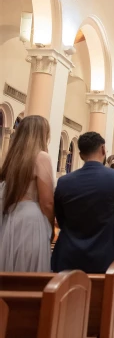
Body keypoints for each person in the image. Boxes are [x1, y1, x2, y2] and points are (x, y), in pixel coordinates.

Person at [52, 131, 114, 273]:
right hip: (106, 255)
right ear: (103, 149)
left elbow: (61, 217)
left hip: (70, 254)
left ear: (81, 155)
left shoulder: (64, 181)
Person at [0, 115, 54, 272]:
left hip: (11, 217)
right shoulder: (41, 157)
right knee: (29, 273)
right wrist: (50, 226)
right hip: (32, 221)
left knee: (10, 272)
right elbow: (47, 202)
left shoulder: (11, 158)